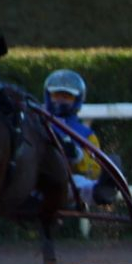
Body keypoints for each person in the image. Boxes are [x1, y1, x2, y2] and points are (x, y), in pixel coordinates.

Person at [41, 69, 116, 206]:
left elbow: (94, 170)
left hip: (67, 183)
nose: (61, 100)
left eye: (67, 97)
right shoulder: (36, 120)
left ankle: (102, 189)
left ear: (77, 100)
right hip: (37, 177)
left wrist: (77, 156)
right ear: (48, 96)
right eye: (56, 95)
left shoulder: (86, 134)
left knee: (78, 182)